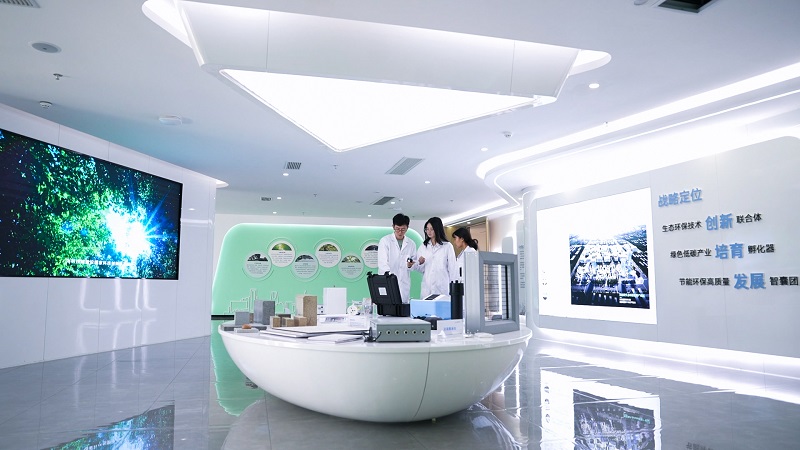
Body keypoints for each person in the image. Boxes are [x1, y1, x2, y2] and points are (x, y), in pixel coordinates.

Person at [377, 213, 417, 303]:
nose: (400, 232)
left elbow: (413, 264)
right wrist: (390, 278)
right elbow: (382, 263)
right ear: (393, 227)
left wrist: (410, 265)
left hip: (404, 284)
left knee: (402, 307)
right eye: (397, 229)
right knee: (387, 307)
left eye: (403, 229)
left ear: (407, 228)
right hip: (387, 282)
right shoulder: (385, 241)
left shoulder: (411, 244)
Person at [415, 217, 457, 298]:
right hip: (427, 288)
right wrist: (419, 263)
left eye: (432, 229)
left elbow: (452, 269)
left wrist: (454, 289)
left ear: (437, 229)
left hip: (442, 288)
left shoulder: (447, 246)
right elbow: (420, 269)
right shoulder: (423, 246)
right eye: (427, 229)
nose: (429, 232)